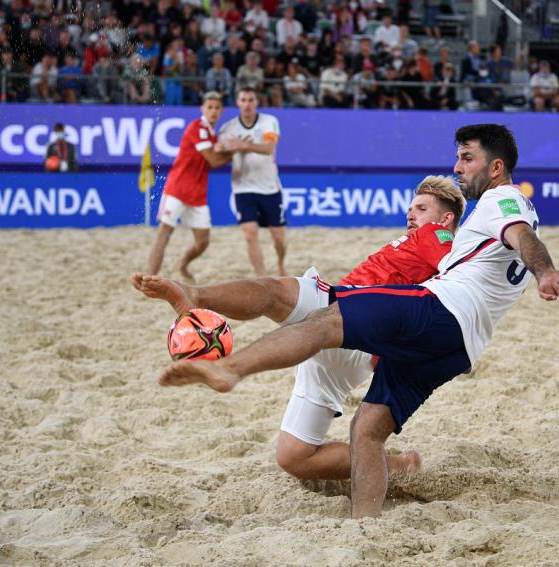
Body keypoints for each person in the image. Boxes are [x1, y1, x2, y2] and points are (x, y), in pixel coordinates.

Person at [155, 124, 559, 518]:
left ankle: (226, 361)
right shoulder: (471, 231)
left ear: (496, 167)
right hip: (455, 345)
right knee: (354, 434)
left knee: (299, 306)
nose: (457, 166)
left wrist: (544, 271)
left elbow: (520, 235)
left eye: (467, 158)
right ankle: (367, 525)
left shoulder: (484, 211)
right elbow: (507, 244)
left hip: (430, 312)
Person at [132, 176, 466, 481]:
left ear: (445, 218)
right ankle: (400, 466)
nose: (411, 214)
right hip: (349, 347)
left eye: (421, 208)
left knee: (274, 292)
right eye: (410, 208)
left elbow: (458, 274)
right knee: (295, 457)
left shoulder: (436, 235)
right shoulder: (415, 241)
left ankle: (196, 297)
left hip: (349, 322)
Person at [145, 92, 232, 280]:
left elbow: (214, 160)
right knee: (164, 233)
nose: (213, 111)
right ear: (202, 109)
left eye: (217, 108)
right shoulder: (197, 127)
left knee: (203, 242)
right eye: (210, 107)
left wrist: (229, 151)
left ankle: (182, 264)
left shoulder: (212, 135)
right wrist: (236, 150)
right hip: (177, 188)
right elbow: (214, 160)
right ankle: (150, 279)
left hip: (198, 193)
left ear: (222, 111)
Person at [216, 87, 287, 276]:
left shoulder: (269, 121)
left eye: (250, 100)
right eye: (243, 100)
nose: (247, 104)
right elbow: (220, 154)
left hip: (269, 186)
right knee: (249, 234)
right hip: (242, 186)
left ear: (256, 102)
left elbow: (269, 148)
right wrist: (222, 149)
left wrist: (244, 145)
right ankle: (262, 277)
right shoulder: (228, 128)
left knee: (279, 238)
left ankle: (280, 263)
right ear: (238, 103)